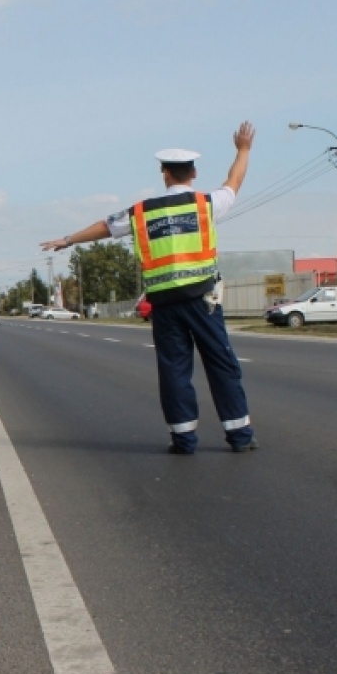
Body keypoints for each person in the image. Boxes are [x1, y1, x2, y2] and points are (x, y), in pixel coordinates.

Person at [41, 122, 258, 455]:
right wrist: (243, 149)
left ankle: (184, 439)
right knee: (222, 364)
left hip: (165, 304)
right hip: (203, 301)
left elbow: (105, 227)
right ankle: (239, 436)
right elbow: (235, 181)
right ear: (193, 173)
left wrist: (68, 239)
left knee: (174, 370)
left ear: (165, 174)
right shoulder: (205, 204)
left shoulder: (142, 212)